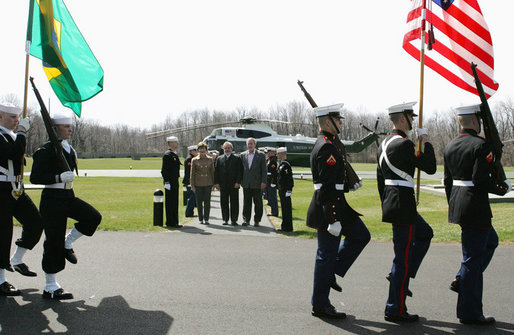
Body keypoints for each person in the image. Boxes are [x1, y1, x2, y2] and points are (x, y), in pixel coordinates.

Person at [443, 104, 511, 325]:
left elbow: (447, 181)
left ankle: (463, 278)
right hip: (475, 207)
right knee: (472, 259)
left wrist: (453, 204)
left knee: (490, 241)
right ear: (474, 122)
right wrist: (502, 187)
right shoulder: (481, 146)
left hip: (459, 205)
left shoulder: (450, 145)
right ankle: (470, 312)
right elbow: (481, 179)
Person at [307, 103, 370, 319]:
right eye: (338, 119)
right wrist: (332, 219)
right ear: (327, 122)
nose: (341, 122)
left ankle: (332, 272)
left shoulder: (331, 143)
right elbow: (326, 187)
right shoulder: (326, 146)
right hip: (328, 207)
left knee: (361, 236)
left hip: (337, 203)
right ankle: (320, 304)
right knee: (325, 255)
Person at [30, 114, 102, 300]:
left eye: (70, 126)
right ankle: (50, 286)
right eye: (65, 126)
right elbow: (35, 177)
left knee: (93, 217)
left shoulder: (67, 148)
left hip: (67, 196)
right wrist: (57, 178)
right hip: (52, 199)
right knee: (52, 241)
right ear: (54, 128)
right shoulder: (46, 150)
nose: (70, 129)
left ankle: (68, 242)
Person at [376, 102, 436, 322]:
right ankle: (395, 308)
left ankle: (400, 277)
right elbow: (430, 167)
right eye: (411, 117)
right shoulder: (403, 144)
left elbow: (381, 181)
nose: (413, 121)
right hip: (403, 205)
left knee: (425, 234)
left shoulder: (383, 144)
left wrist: (387, 203)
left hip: (393, 202)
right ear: (402, 118)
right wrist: (425, 142)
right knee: (402, 258)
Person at [0, 102, 43, 296]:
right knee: (3, 232)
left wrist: (20, 134)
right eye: (12, 117)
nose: (16, 121)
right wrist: (23, 132)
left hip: (16, 188)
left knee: (35, 222)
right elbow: (14, 153)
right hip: (1, 188)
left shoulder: (12, 136)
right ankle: (1, 279)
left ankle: (17, 259)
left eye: (17, 118)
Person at [214, 141, 243, 226]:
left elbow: (239, 171)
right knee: (224, 202)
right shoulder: (219, 158)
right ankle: (225, 219)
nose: (227, 149)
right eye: (225, 148)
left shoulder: (237, 158)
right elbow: (216, 172)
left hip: (234, 185)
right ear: (223, 149)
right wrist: (216, 183)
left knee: (234, 203)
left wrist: (238, 182)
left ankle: (234, 220)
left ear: (232, 149)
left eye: (228, 148)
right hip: (223, 185)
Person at [240, 137, 267, 227]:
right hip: (246, 183)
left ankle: (257, 220)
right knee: (246, 203)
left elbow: (264, 170)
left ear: (255, 145)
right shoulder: (242, 155)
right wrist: (240, 181)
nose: (250, 145)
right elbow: (241, 170)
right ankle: (246, 220)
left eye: (251, 143)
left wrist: (264, 181)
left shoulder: (261, 155)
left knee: (258, 203)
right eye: (248, 144)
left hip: (257, 183)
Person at [190, 142, 215, 225]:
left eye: (203, 149)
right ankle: (201, 218)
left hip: (208, 183)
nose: (202, 150)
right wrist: (192, 185)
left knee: (207, 202)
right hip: (198, 184)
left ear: (206, 150)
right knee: (199, 202)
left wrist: (213, 184)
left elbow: (212, 172)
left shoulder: (210, 159)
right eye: (200, 149)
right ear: (198, 150)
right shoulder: (194, 160)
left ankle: (206, 218)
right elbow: (192, 174)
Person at [161, 136, 182, 228]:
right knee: (170, 202)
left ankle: (175, 221)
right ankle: (170, 222)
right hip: (170, 182)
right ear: (171, 143)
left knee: (175, 201)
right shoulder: (168, 155)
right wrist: (166, 182)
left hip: (174, 181)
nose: (177, 143)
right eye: (175, 142)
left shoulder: (174, 154)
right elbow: (164, 170)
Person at [276, 147, 293, 232]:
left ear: (282, 154)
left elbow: (289, 179)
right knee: (284, 208)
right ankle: (285, 226)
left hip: (285, 190)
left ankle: (288, 227)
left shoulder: (286, 165)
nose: (277, 155)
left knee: (286, 209)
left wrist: (289, 190)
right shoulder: (282, 164)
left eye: (278, 154)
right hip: (282, 190)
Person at [183, 145, 197, 217]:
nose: (197, 152)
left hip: (190, 181)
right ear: (192, 151)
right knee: (191, 197)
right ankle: (189, 213)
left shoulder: (192, 158)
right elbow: (189, 172)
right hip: (189, 181)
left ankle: (190, 212)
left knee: (192, 197)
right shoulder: (189, 159)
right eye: (195, 150)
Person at [265, 147, 279, 216]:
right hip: (268, 180)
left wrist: (273, 182)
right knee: (270, 197)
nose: (267, 153)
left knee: (273, 197)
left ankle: (275, 212)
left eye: (269, 152)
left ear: (272, 153)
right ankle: (273, 211)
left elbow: (274, 173)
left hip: (271, 181)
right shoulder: (269, 160)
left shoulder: (273, 161)